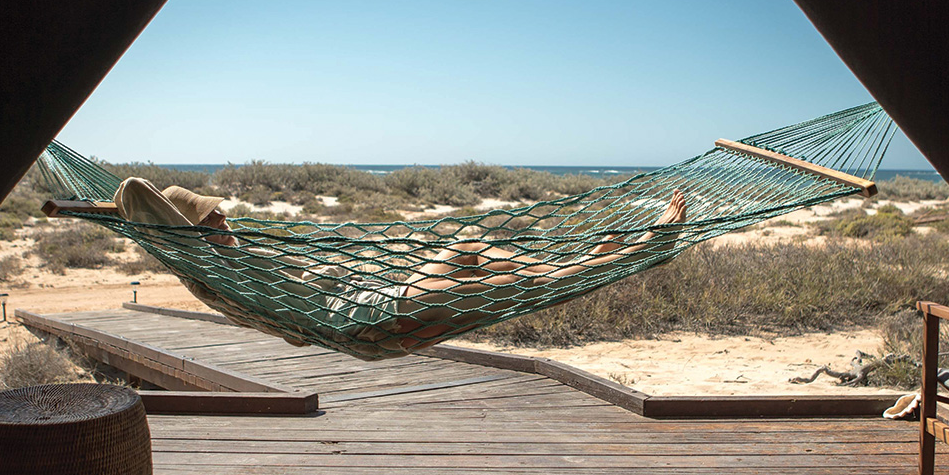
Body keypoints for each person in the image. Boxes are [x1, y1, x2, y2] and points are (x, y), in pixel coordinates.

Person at [113, 177, 687, 351]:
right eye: (212, 219)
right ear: (190, 232)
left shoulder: (230, 259)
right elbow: (140, 195)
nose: (225, 221)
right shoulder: (215, 271)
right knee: (508, 279)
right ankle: (643, 246)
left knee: (466, 249)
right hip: (372, 315)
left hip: (376, 292)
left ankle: (595, 254)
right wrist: (118, 208)